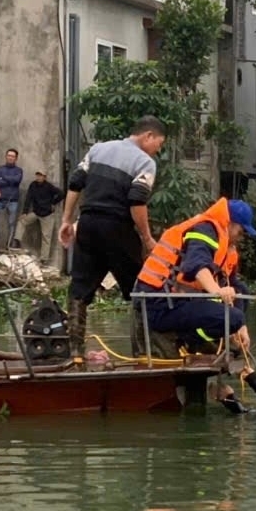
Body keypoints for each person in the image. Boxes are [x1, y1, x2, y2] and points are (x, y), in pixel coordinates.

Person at [59, 116, 164, 356]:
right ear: (148, 135)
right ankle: (145, 353)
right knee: (140, 288)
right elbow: (137, 200)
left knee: (79, 288)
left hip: (87, 224)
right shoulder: (144, 162)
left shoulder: (98, 149)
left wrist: (66, 221)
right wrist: (147, 238)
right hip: (117, 227)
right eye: (159, 142)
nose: (159, 149)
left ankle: (74, 351)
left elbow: (75, 184)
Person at [132, 198, 256, 355]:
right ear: (230, 223)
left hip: (179, 301)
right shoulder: (205, 229)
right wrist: (218, 291)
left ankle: (201, 338)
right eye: (241, 232)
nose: (241, 238)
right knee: (233, 317)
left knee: (242, 292)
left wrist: (242, 327)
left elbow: (232, 284)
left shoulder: (225, 246)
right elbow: (196, 265)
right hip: (158, 304)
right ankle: (190, 339)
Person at [12, 170, 64, 266]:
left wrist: (53, 203)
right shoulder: (33, 185)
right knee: (22, 221)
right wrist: (25, 212)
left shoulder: (49, 186)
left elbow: (61, 194)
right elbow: (28, 198)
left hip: (47, 215)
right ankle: (17, 241)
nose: (39, 177)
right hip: (36, 212)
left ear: (45, 177)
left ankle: (44, 259)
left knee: (46, 237)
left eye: (41, 176)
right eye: (37, 175)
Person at [0, 148, 23, 250]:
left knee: (11, 223)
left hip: (13, 200)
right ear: (6, 157)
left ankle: (9, 245)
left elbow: (17, 180)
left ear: (16, 158)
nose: (10, 158)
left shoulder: (19, 170)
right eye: (9, 155)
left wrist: (3, 178)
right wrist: (10, 180)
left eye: (12, 156)